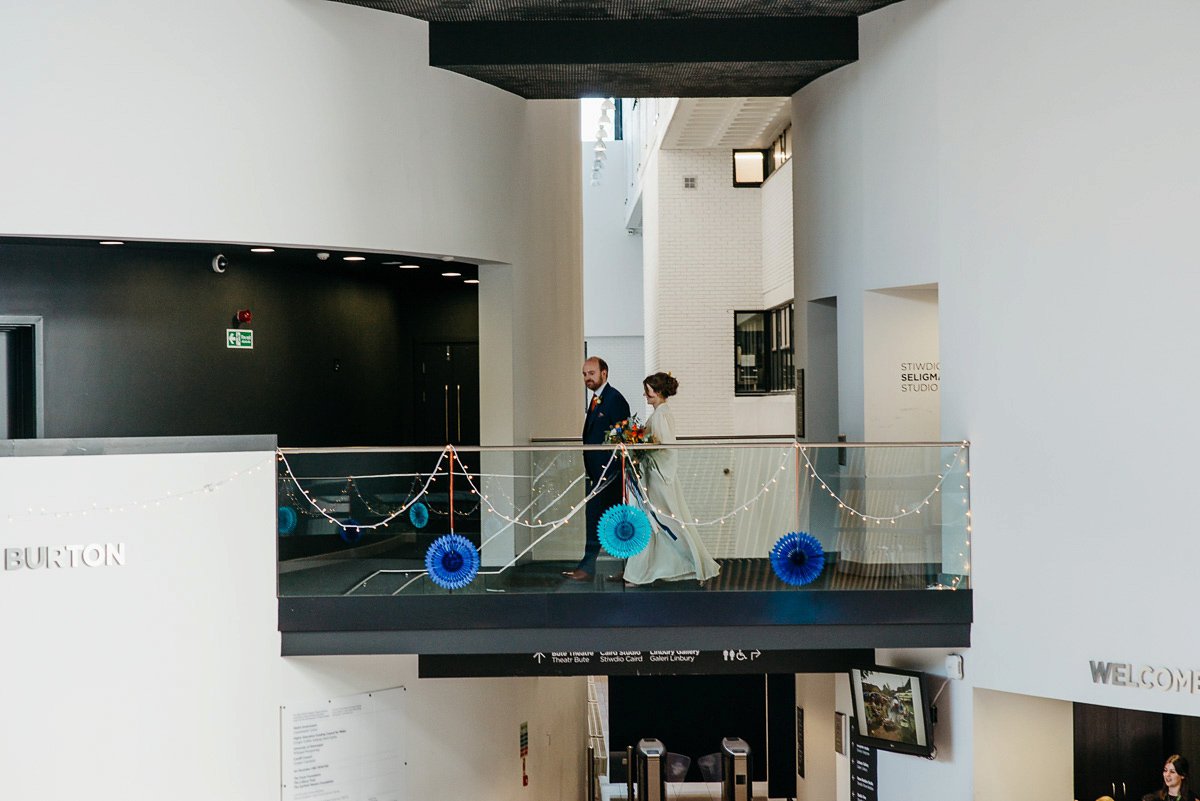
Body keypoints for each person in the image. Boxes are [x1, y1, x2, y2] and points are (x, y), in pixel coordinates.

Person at [622, 372, 720, 586]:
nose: (645, 395)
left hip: (659, 478)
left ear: (657, 392)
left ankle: (697, 566)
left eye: (647, 391)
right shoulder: (660, 413)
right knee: (656, 522)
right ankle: (647, 572)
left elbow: (664, 448)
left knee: (668, 522)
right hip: (655, 476)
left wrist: (640, 451)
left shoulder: (662, 415)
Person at [563, 357, 631, 581]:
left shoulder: (615, 399)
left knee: (613, 521)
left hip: (611, 476)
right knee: (599, 519)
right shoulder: (596, 400)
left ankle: (594, 567)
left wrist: (610, 473)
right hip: (597, 475)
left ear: (604, 373)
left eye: (591, 373)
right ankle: (596, 567)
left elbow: (623, 438)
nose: (587, 378)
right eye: (584, 374)